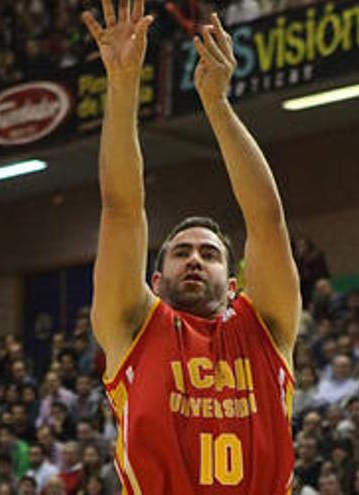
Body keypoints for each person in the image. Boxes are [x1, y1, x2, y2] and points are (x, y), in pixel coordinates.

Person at [81, 1, 298, 492]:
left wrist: (218, 106)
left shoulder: (266, 325)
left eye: (210, 253)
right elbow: (121, 208)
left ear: (235, 281)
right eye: (181, 253)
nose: (195, 258)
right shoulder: (132, 325)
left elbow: (267, 221)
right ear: (155, 282)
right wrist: (121, 84)